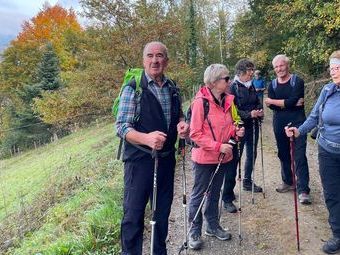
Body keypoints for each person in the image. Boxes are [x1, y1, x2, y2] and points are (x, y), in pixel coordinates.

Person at [116, 41, 189, 255]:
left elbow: (179, 115)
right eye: (150, 56)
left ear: (166, 60)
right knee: (133, 215)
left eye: (159, 56)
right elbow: (121, 127)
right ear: (143, 60)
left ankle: (159, 252)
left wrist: (182, 125)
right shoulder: (134, 88)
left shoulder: (173, 87)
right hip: (139, 162)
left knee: (162, 213)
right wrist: (146, 138)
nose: (155, 60)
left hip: (166, 160)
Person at [285, 50, 340, 254]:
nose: (333, 72)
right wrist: (298, 131)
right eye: (331, 68)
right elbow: (314, 117)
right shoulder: (327, 91)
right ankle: (337, 234)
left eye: (337, 68)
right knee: (333, 194)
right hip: (327, 151)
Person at [187, 64, 244, 250]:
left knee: (215, 193)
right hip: (204, 158)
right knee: (199, 195)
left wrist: (237, 131)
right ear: (213, 82)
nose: (230, 81)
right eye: (226, 79)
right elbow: (195, 134)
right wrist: (219, 146)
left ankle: (212, 225)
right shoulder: (200, 102)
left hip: (222, 158)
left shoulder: (228, 100)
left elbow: (228, 126)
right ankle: (194, 230)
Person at [264, 54, 311, 204]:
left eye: (281, 65)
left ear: (287, 65)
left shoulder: (297, 81)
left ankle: (303, 190)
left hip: (298, 123)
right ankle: (288, 181)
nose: (279, 69)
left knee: (299, 155)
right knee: (283, 154)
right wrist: (286, 103)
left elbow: (278, 102)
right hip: (279, 123)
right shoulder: (272, 84)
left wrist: (273, 101)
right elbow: (276, 105)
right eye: (276, 67)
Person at [222, 59, 264, 213]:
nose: (252, 72)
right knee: (233, 160)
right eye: (249, 70)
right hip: (238, 127)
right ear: (240, 72)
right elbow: (231, 110)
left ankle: (247, 181)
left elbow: (257, 102)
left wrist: (259, 111)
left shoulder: (251, 85)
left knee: (252, 154)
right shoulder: (232, 87)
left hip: (253, 124)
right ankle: (227, 195)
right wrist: (249, 114)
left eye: (252, 69)